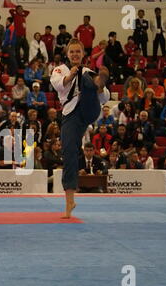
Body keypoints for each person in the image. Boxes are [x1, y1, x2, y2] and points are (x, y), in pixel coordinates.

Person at [50, 38, 110, 218]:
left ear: (83, 54)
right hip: (71, 114)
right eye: (72, 52)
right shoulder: (59, 69)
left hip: (89, 109)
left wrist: (100, 85)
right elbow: (59, 84)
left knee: (87, 77)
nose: (75, 54)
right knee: (68, 152)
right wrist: (71, 74)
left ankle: (100, 81)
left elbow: (104, 98)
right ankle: (70, 200)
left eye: (78, 51)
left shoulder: (88, 71)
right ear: (67, 54)